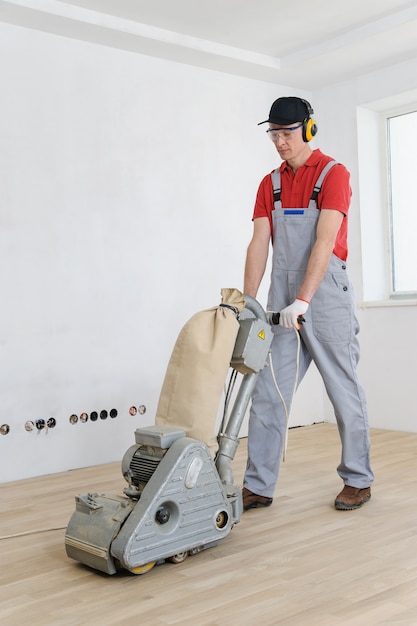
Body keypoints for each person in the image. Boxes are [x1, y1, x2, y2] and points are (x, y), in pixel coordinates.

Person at [242, 96, 374, 512]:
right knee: (268, 390)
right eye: (274, 134)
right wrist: (248, 303)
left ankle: (358, 479)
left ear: (308, 130)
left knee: (342, 387)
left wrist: (304, 299)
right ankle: (258, 485)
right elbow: (259, 243)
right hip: (281, 300)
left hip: (326, 296)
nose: (279, 142)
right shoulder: (270, 183)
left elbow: (324, 241)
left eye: (287, 133)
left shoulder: (334, 174)